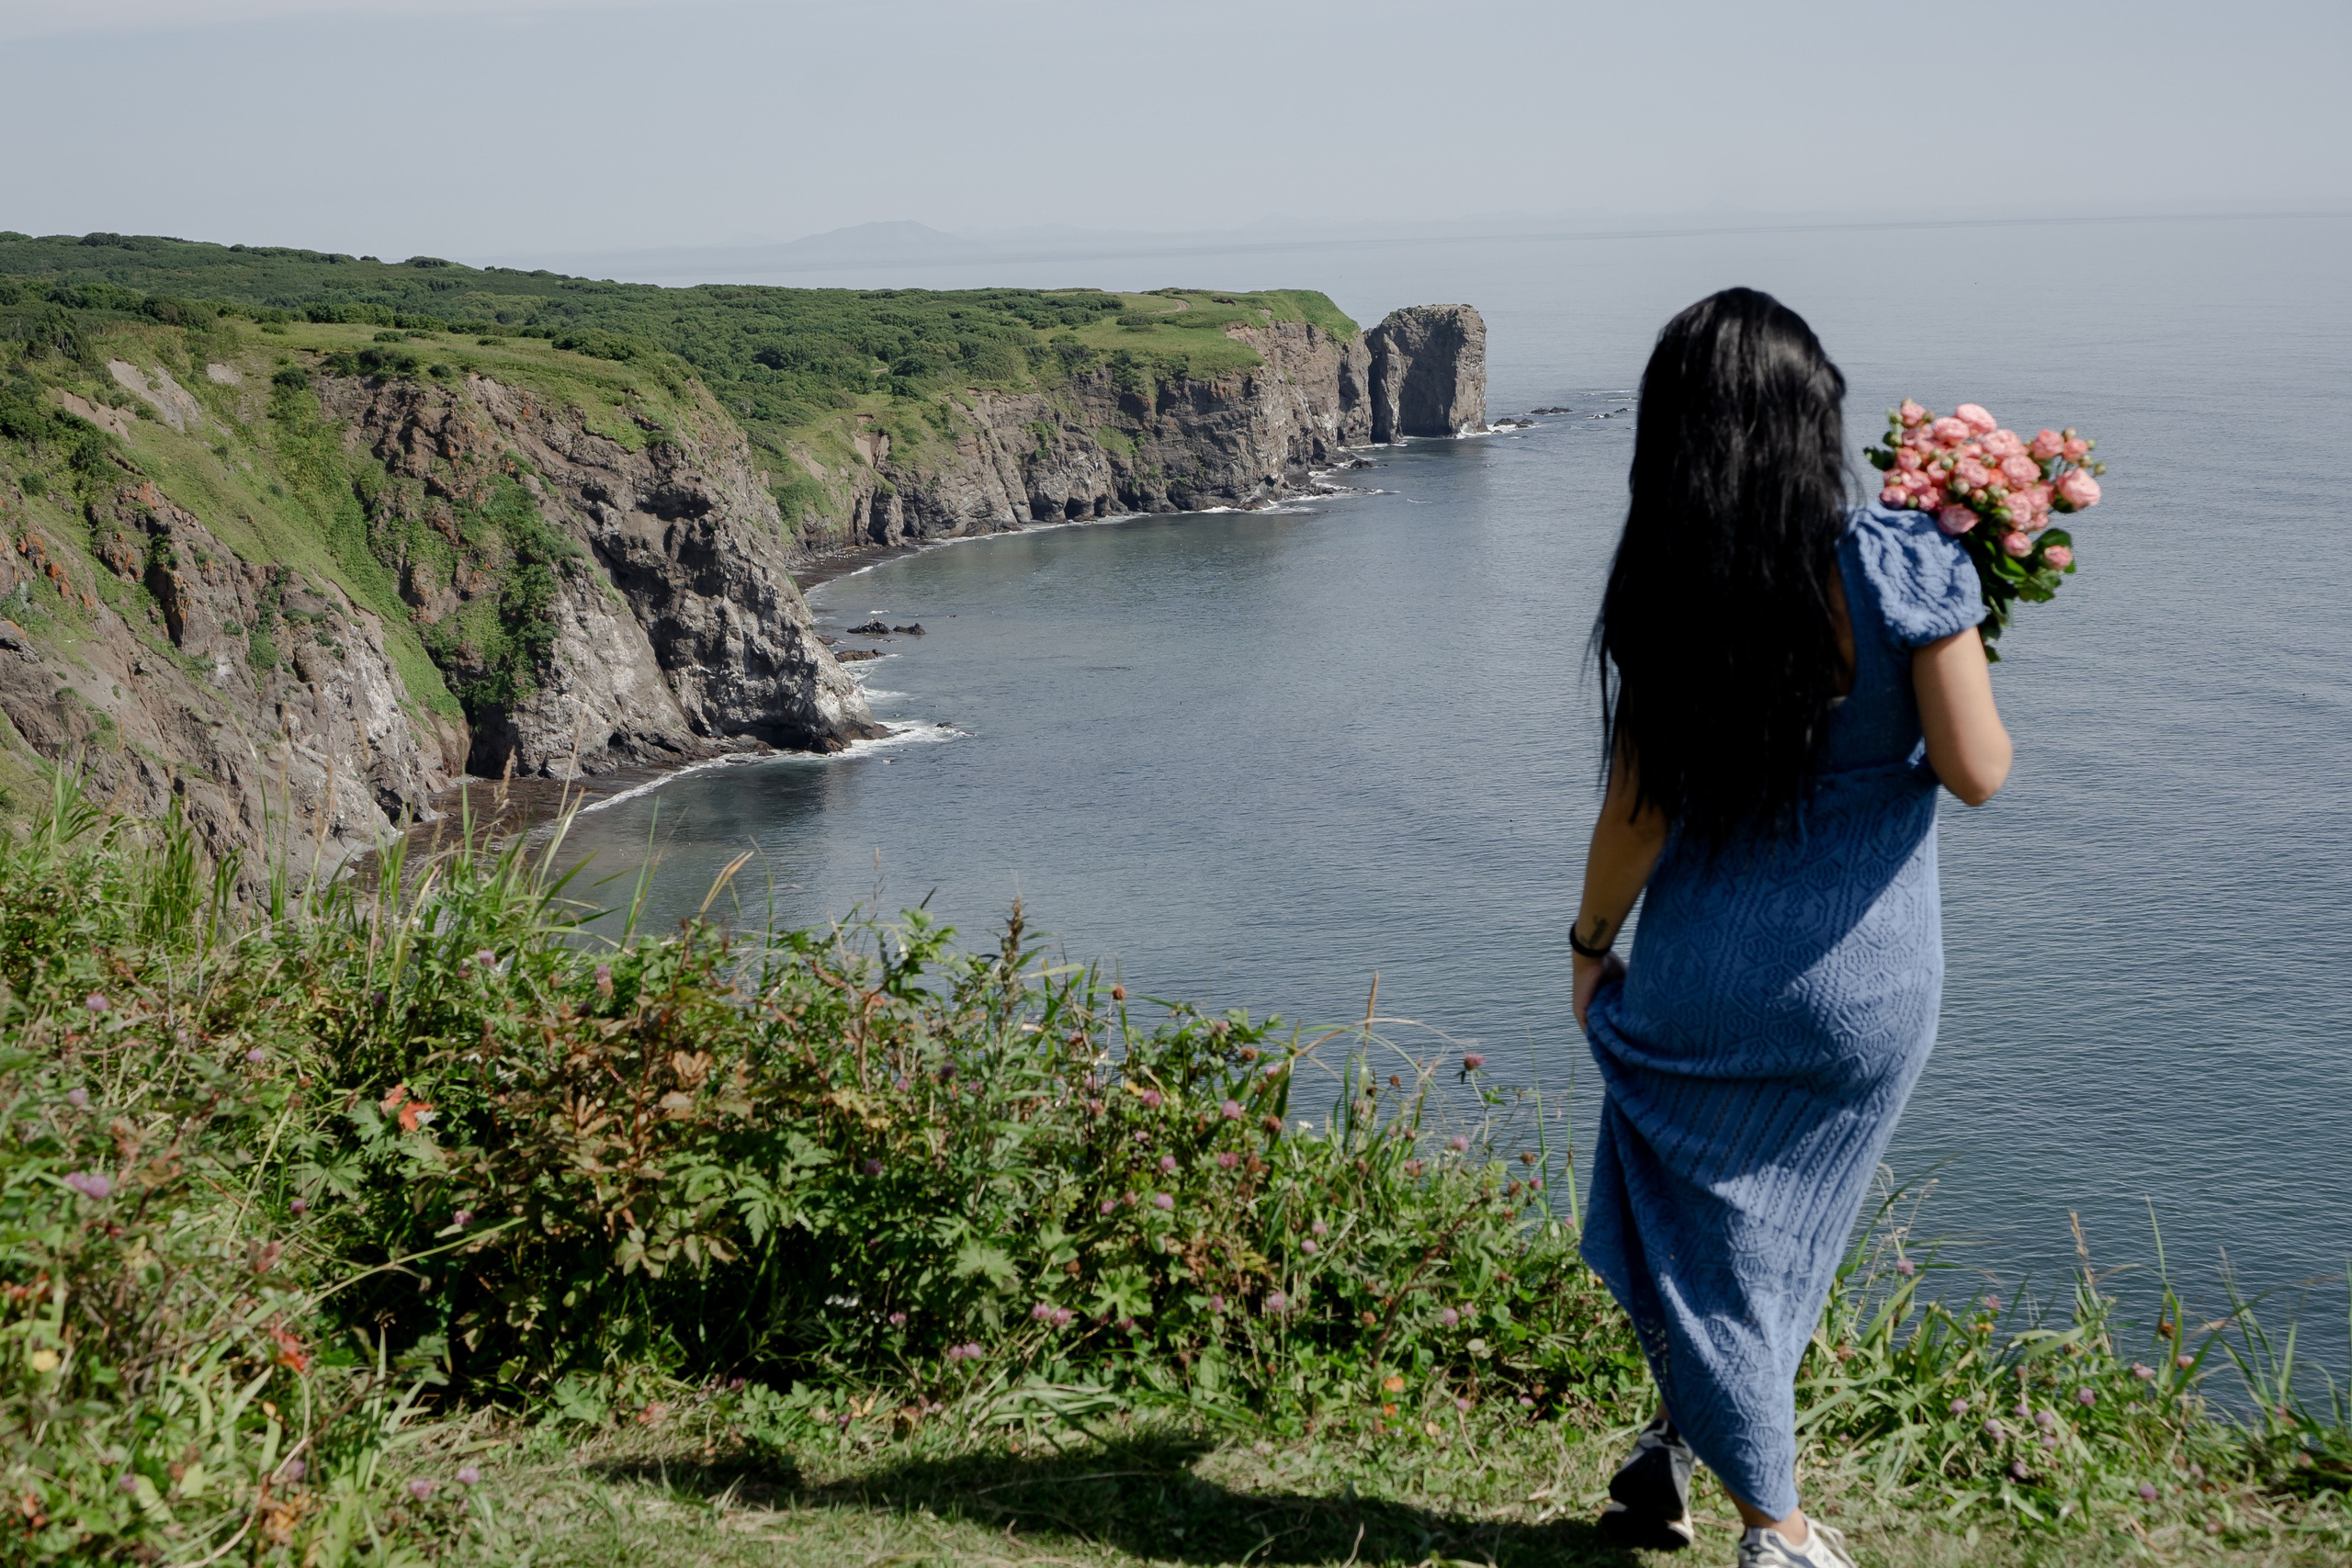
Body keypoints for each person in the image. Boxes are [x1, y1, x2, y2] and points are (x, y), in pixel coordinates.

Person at [1571, 288, 2013, 1567]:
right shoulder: (1906, 562)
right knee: (1771, 1237)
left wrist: (1593, 945)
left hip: (1707, 974)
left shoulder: (1669, 589)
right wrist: (1960, 629)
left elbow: (1638, 811)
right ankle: (1710, 1483)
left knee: (1691, 1219)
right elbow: (1977, 771)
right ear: (1817, 421)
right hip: (1868, 989)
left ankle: (1758, 1509)